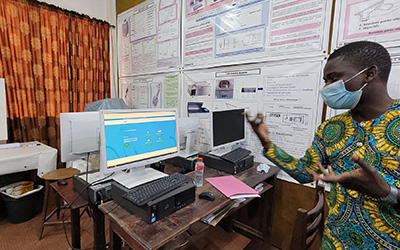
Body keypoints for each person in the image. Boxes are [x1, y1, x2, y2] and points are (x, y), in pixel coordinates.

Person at [247, 41, 400, 249]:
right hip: (335, 242)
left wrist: (387, 192)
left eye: (334, 78)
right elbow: (306, 172)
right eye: (326, 81)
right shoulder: (331, 129)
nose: (328, 88)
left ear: (369, 74)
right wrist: (267, 143)